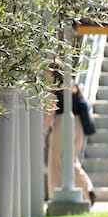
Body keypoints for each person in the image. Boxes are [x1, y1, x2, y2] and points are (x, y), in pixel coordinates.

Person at [44, 74, 96, 205]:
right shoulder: (74, 86)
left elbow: (52, 111)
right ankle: (87, 188)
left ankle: (54, 196)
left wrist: (43, 132)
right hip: (79, 125)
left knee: (55, 162)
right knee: (72, 160)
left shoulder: (55, 88)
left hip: (63, 124)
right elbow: (85, 102)